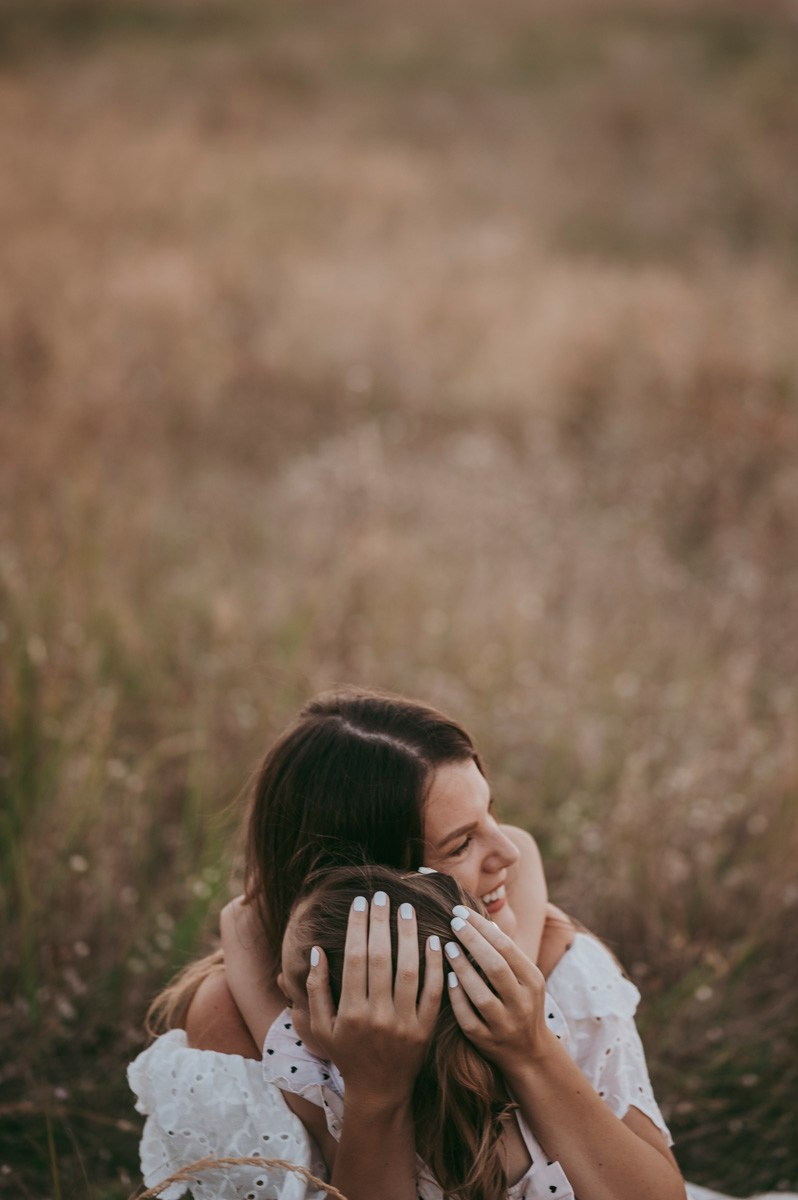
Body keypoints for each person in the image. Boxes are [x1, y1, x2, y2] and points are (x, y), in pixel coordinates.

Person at [264, 862, 684, 1200]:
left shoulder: (556, 1016)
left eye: (299, 994)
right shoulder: (323, 1082)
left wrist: (534, 1051)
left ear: (362, 1017)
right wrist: (376, 1093)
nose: (281, 995)